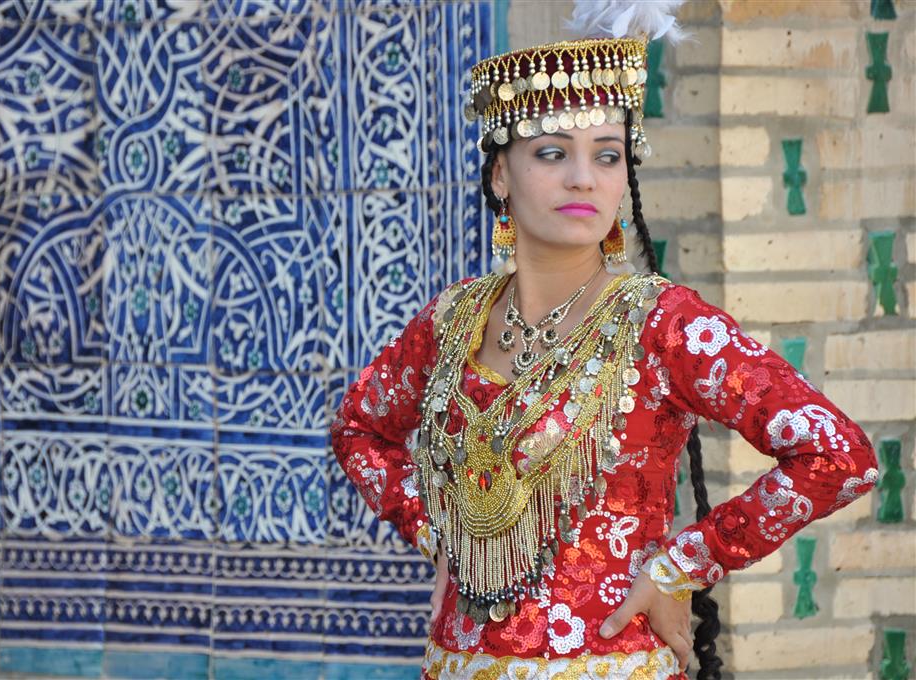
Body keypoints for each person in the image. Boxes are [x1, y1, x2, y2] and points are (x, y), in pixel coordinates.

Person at [330, 2, 879, 678]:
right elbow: (358, 429)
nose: (583, 178)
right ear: (500, 175)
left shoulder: (665, 325)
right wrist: (435, 530)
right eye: (552, 153)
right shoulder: (452, 321)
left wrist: (682, 565)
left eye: (608, 155)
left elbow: (839, 455)